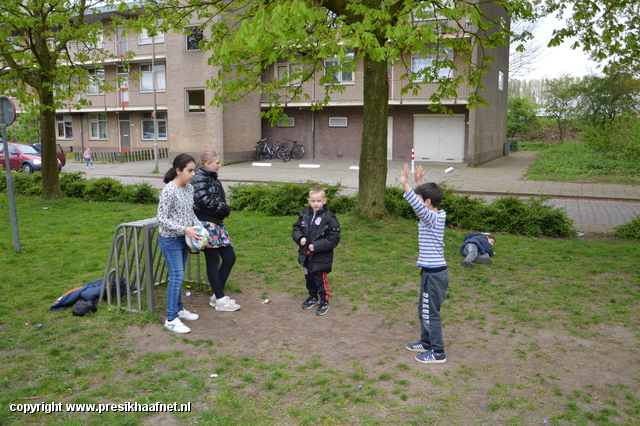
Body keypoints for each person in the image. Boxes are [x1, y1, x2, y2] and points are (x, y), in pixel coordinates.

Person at [401, 164, 448, 364]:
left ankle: (438, 353)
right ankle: (426, 342)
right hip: (430, 272)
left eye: (423, 200)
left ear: (428, 202)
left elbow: (420, 207)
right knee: (424, 310)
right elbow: (425, 203)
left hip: (435, 274)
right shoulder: (436, 214)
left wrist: (406, 185)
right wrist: (420, 184)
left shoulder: (432, 217)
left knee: (431, 313)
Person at [157, 153, 202, 334]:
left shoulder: (189, 189)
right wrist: (185, 230)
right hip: (169, 239)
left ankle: (179, 309)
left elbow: (189, 213)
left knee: (179, 275)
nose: (193, 174)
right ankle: (171, 318)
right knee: (176, 276)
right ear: (178, 170)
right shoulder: (169, 190)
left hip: (184, 238)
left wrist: (199, 228)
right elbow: (161, 219)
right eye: (190, 170)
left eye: (194, 170)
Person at [192, 150, 241, 312]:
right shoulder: (199, 178)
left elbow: (216, 199)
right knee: (213, 261)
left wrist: (222, 210)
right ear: (208, 164)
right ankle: (219, 299)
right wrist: (224, 210)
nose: (219, 165)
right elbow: (204, 200)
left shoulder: (210, 178)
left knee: (229, 258)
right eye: (217, 162)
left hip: (216, 223)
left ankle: (216, 295)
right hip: (207, 224)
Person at [291, 187, 341, 316]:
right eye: (313, 201)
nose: (315, 203)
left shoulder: (329, 218)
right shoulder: (304, 214)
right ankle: (312, 296)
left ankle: (324, 301)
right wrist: (300, 238)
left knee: (320, 279)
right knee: (309, 278)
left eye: (318, 200)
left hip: (321, 257)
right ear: (309, 201)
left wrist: (317, 246)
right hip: (306, 255)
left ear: (324, 200)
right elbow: (296, 228)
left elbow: (334, 239)